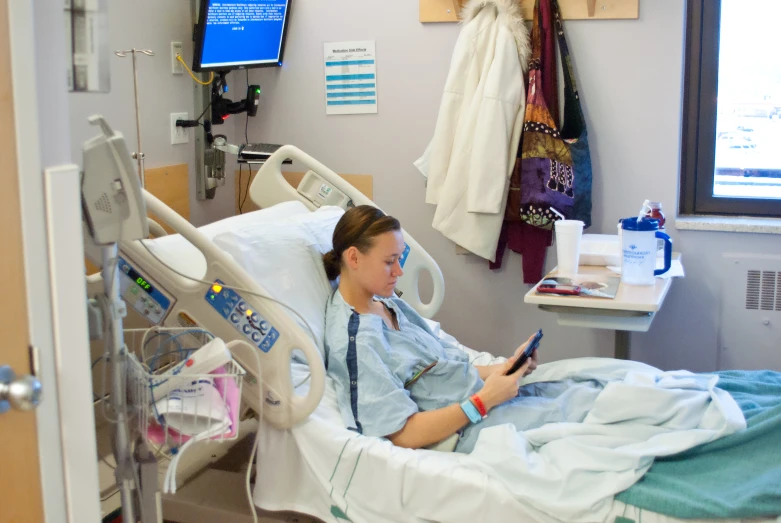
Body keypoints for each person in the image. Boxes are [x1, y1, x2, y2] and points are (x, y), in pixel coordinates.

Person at [322, 205, 542, 452]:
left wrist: (506, 368)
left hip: (487, 401)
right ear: (353, 258)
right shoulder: (357, 344)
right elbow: (404, 433)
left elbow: (439, 368)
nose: (399, 271)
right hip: (469, 427)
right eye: (389, 261)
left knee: (585, 387)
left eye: (399, 258)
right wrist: (485, 400)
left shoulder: (387, 304)